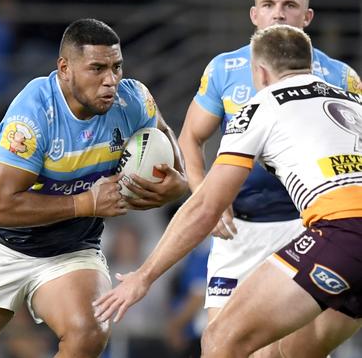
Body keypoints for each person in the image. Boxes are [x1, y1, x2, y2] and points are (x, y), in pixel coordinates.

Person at [94, 24, 362, 357]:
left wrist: (144, 277)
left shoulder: (262, 105)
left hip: (343, 231)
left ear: (259, 72)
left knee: (219, 340)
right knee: (288, 353)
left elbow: (206, 206)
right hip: (345, 238)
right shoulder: (352, 100)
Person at [0, 18, 188, 358]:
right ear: (64, 68)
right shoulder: (32, 115)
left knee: (90, 331)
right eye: (97, 68)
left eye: (116, 67)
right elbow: (0, 208)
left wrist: (179, 183)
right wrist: (86, 203)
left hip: (73, 248)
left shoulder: (133, 100)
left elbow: (167, 141)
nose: (111, 80)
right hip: (2, 247)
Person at [176, 0, 362, 355]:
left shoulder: (341, 76)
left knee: (283, 353)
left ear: (307, 16)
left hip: (308, 226)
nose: (279, 14)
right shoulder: (224, 69)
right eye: (269, 5)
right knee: (219, 344)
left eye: (289, 6)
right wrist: (206, 199)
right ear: (254, 14)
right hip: (239, 230)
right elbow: (190, 138)